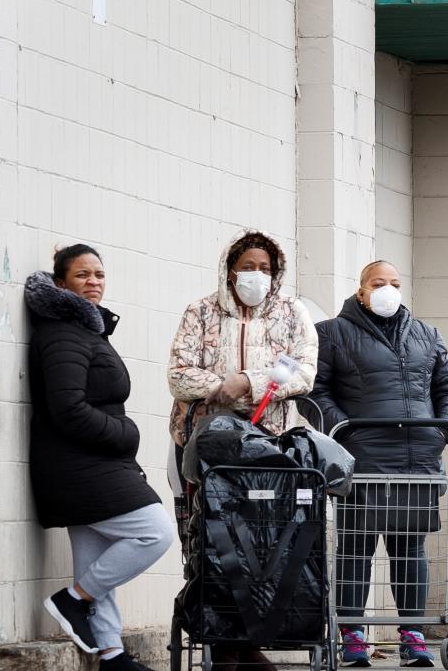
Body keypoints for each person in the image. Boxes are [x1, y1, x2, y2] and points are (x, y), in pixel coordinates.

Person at [167, 229, 317, 671]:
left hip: (265, 449)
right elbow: (178, 373)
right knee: (208, 541)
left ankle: (248, 641)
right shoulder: (200, 311)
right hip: (204, 444)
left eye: (265, 269)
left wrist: (249, 382)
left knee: (260, 544)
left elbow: (305, 371)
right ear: (230, 271)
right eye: (248, 267)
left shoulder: (292, 313)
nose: (257, 276)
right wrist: (220, 387)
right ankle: (220, 642)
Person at [310, 260, 448, 668]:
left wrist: (444, 430)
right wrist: (344, 432)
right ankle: (352, 637)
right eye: (379, 282)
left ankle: (413, 637)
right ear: (360, 290)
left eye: (395, 283)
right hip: (362, 462)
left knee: (410, 551)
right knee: (355, 551)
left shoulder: (426, 334)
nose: (388, 289)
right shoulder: (332, 334)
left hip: (417, 460)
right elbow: (316, 393)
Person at [28, 246, 174, 671]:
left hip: (89, 463)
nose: (93, 282)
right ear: (60, 284)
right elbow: (67, 408)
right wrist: (125, 434)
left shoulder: (84, 332)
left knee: (97, 558)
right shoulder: (61, 334)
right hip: (78, 465)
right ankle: (72, 600)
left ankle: (110, 654)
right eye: (81, 275)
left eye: (99, 275)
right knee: (154, 532)